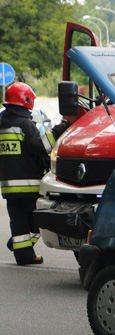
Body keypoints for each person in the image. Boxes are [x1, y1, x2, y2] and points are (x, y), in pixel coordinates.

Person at [0, 82, 51, 265]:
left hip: (8, 187)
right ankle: (18, 244)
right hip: (30, 185)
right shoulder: (25, 124)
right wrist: (57, 132)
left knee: (18, 221)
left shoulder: (1, 123)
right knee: (38, 220)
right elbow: (42, 148)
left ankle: (24, 255)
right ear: (27, 100)